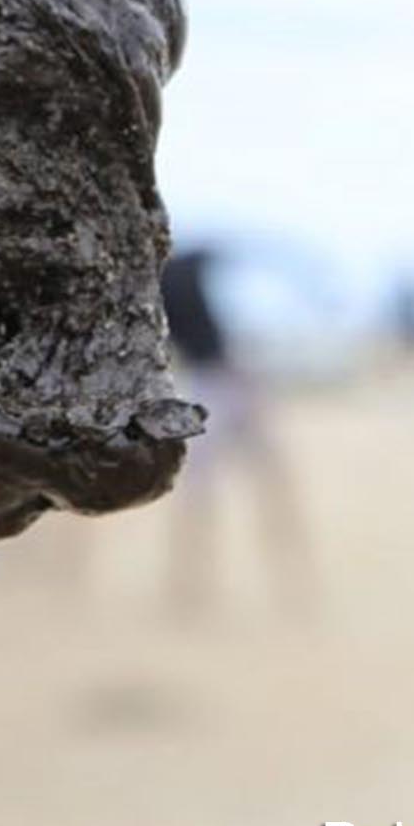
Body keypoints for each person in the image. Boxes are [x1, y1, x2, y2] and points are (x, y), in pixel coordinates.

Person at [162, 245, 313, 615]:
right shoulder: (176, 268)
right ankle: (192, 588)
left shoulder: (165, 274)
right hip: (220, 383)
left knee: (231, 488)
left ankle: (193, 589)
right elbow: (256, 250)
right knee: (253, 485)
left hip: (220, 382)